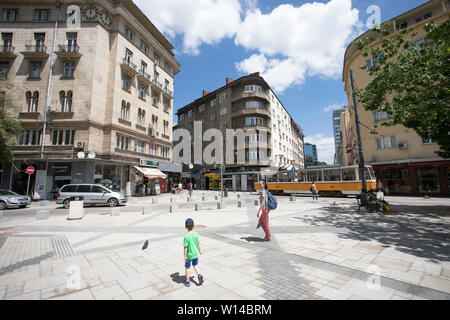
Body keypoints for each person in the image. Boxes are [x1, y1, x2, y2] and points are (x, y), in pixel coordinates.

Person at [183, 218, 204, 287]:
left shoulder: (186, 237)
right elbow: (198, 243)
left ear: (185, 227)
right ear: (194, 226)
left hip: (189, 255)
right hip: (195, 254)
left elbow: (185, 247)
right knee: (195, 265)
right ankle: (199, 275)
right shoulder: (196, 234)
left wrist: (185, 256)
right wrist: (200, 250)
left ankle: (187, 281)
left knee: (187, 268)